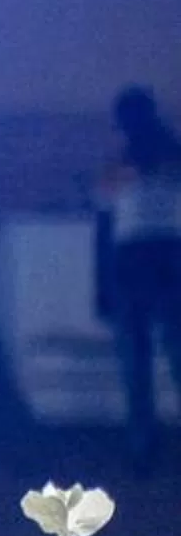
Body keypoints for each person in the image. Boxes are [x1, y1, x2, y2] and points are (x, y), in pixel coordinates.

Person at [98, 86, 181, 468]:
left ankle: (143, 443)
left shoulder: (119, 165)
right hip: (172, 258)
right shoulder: (174, 156)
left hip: (132, 262)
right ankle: (144, 443)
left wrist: (99, 284)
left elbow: (103, 215)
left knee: (136, 358)